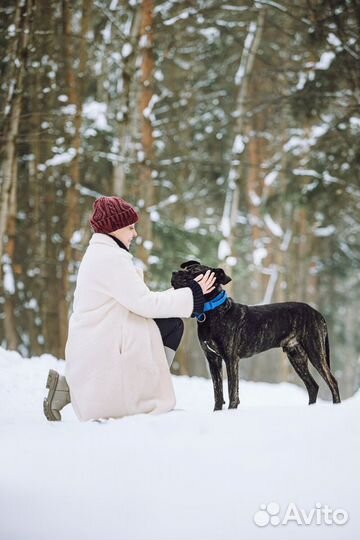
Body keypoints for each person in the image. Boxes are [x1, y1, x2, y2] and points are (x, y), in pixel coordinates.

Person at [43, 195, 216, 422]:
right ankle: (144, 391)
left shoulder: (101, 254)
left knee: (169, 324)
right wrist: (194, 293)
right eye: (130, 227)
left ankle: (71, 388)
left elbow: (138, 301)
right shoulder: (110, 258)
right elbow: (145, 304)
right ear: (114, 229)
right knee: (171, 326)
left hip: (97, 345)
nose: (134, 233)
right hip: (103, 348)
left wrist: (186, 297)